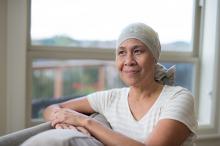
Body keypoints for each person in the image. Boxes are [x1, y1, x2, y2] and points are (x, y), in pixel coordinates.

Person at [43, 22, 197, 146]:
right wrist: (60, 123)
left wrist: (86, 122)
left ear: (154, 57)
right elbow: (52, 109)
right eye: (122, 52)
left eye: (138, 51)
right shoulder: (111, 98)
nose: (128, 61)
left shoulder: (178, 98)